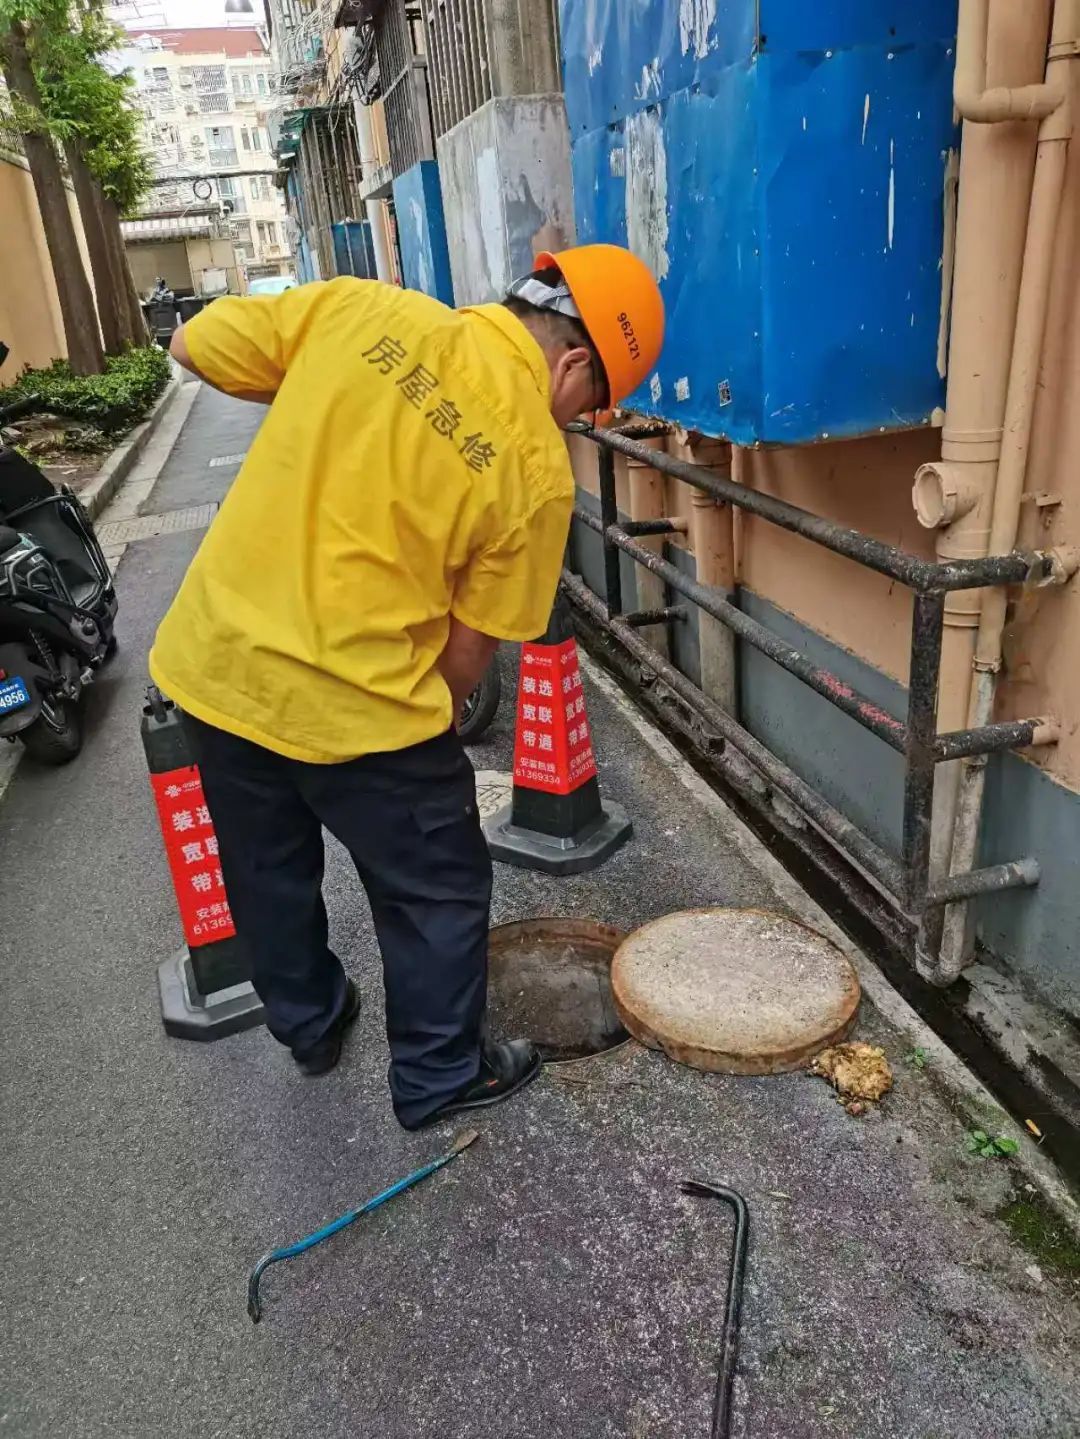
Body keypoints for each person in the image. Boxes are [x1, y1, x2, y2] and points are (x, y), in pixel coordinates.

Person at [149, 245, 664, 1129]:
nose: (580, 420)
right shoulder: (535, 470)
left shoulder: (362, 311)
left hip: (218, 665)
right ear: (574, 363)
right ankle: (436, 1075)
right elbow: (467, 657)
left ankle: (310, 1025)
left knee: (263, 864)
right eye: (592, 406)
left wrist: (322, 397)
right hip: (364, 707)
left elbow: (191, 345)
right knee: (438, 883)